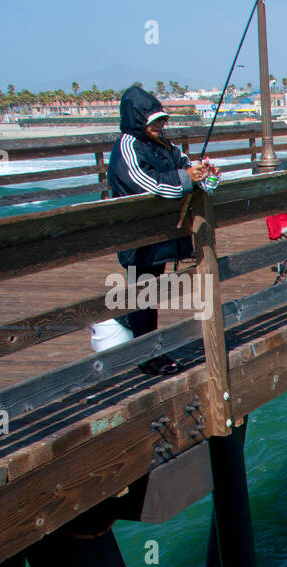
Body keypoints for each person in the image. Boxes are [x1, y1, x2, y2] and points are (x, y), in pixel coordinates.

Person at [92, 86, 219, 373]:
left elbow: (186, 169)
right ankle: (146, 354)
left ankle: (150, 348)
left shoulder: (164, 145)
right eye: (155, 121)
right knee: (142, 295)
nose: (161, 126)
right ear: (138, 120)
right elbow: (147, 183)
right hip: (138, 237)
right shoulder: (127, 146)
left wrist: (204, 173)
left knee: (152, 294)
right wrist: (185, 178)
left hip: (162, 236)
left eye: (162, 120)